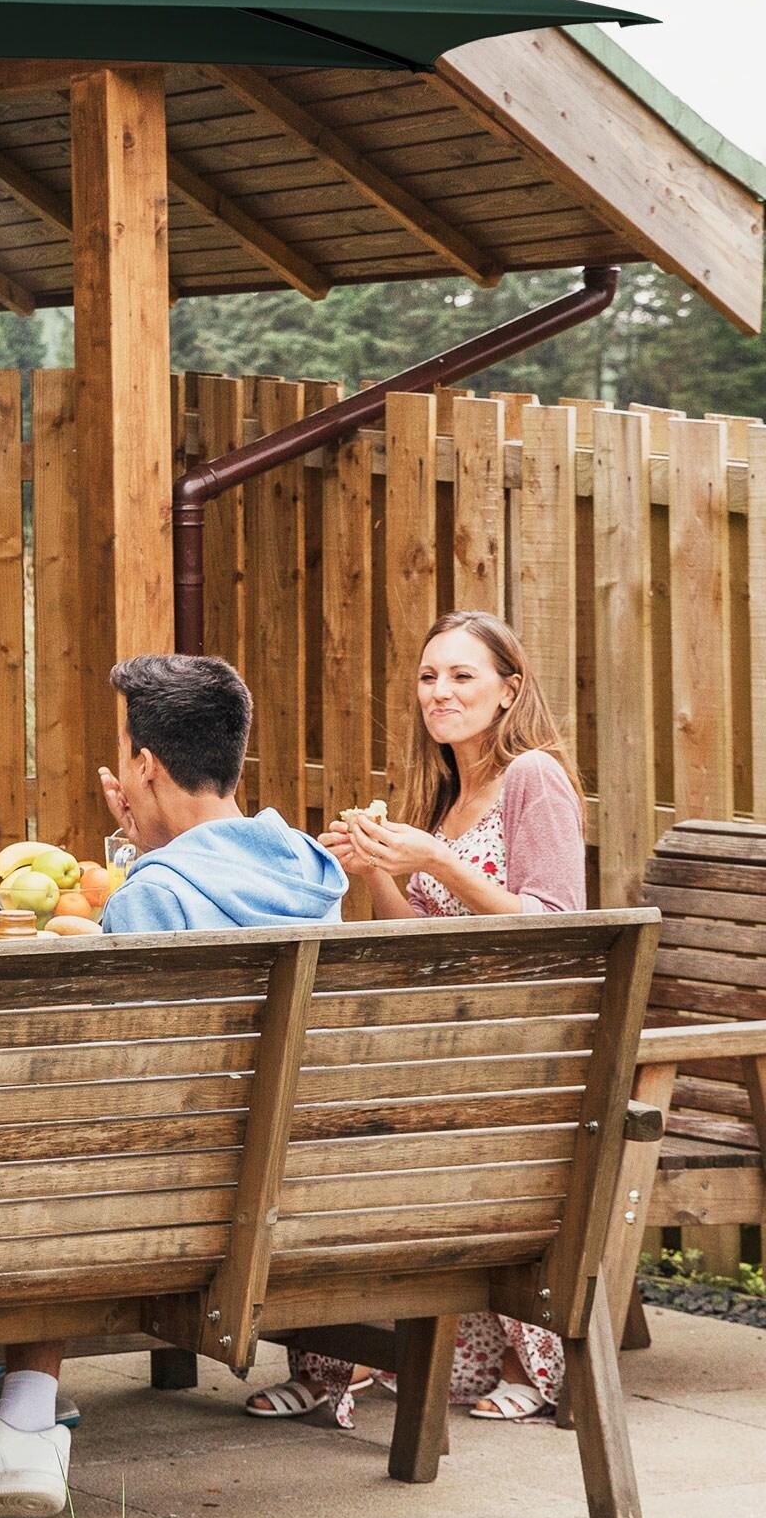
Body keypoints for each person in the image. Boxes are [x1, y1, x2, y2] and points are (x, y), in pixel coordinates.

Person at [0, 653, 349, 1518]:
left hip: (152, 1213)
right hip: (296, 1196)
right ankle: (17, 1413)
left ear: (143, 764)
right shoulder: (312, 874)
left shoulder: (158, 896)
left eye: (126, 755)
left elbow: (112, 1097)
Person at [248, 610, 585, 1424]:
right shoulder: (449, 789)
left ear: (510, 690)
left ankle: (429, 1358)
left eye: (462, 676)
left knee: (332, 1130)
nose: (440, 692)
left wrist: (432, 857)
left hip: (517, 1048)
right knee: (297, 1115)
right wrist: (373, 868)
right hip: (438, 1037)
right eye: (430, 676)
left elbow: (558, 926)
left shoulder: (533, 776)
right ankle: (341, 1356)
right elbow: (419, 932)